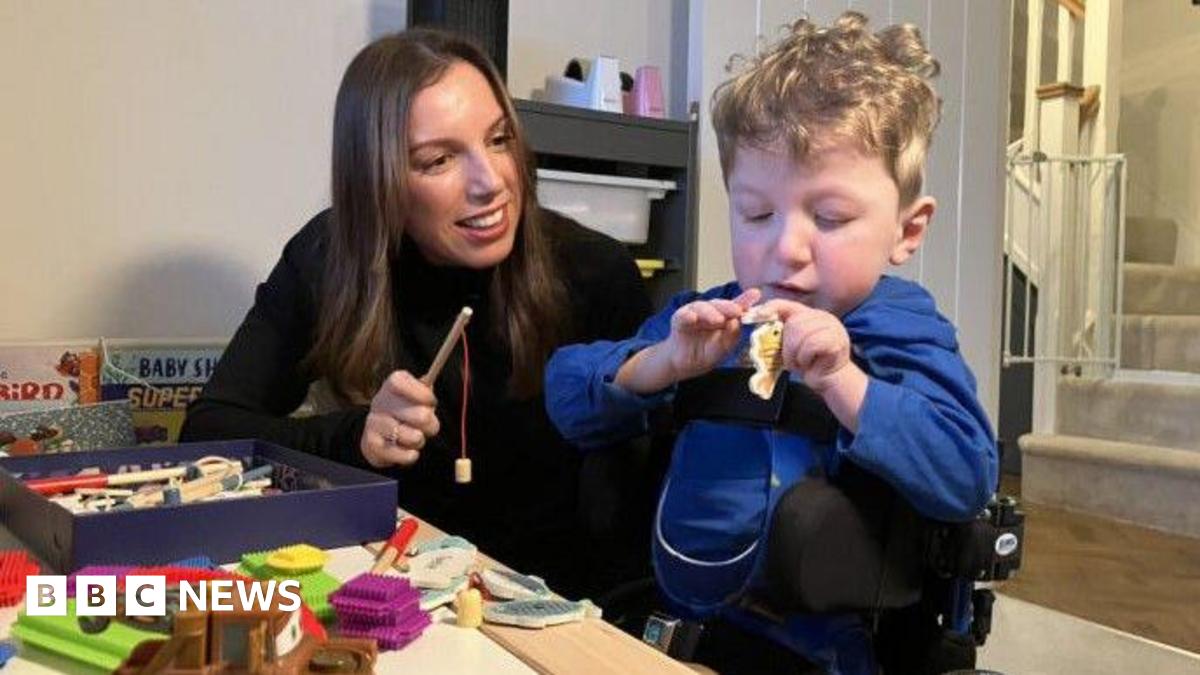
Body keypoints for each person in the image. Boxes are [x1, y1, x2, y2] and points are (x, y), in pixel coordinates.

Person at [544, 12, 997, 674]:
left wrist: (845, 381)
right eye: (756, 213)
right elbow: (564, 392)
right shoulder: (710, 317)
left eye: (830, 217)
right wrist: (663, 363)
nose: (785, 248)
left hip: (827, 648)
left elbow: (965, 471)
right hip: (684, 626)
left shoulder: (900, 329)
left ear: (907, 229)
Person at [181, 29, 653, 598]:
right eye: (438, 160)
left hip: (553, 611)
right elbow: (208, 434)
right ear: (377, 181)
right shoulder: (330, 256)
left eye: (499, 139)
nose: (492, 182)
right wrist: (357, 437)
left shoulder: (594, 272)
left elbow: (637, 519)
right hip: (394, 592)